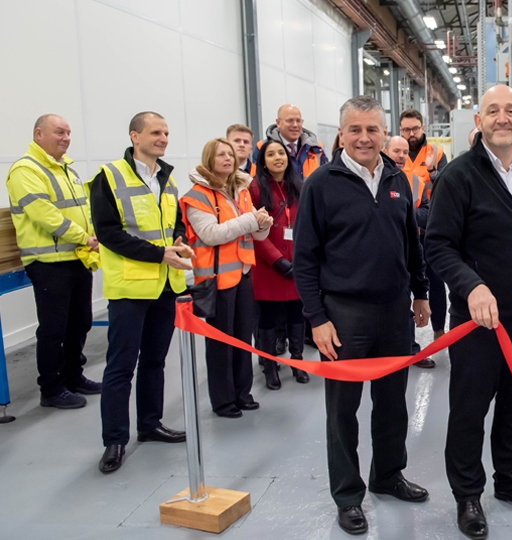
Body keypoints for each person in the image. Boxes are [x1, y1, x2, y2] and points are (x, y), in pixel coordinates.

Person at [425, 84, 512, 540]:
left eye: (511, 111)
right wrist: (472, 286)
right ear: (479, 120)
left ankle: (511, 481)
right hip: (478, 324)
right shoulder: (459, 176)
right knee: (469, 410)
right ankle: (468, 494)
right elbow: (439, 246)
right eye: (493, 111)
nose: (503, 118)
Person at [293, 96, 430, 535]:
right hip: (343, 315)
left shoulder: (396, 178)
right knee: (343, 411)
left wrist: (421, 294)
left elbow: (411, 243)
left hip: (394, 312)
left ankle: (388, 476)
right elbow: (305, 259)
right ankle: (348, 496)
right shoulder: (321, 184)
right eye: (355, 130)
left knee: (392, 405)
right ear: (341, 134)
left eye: (372, 129)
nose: (365, 138)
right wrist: (317, 319)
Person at [89, 111, 194, 473]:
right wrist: (160, 254)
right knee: (121, 366)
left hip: (166, 284)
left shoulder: (167, 178)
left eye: (165, 132)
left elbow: (173, 224)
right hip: (131, 287)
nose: (163, 138)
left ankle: (150, 424)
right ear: (135, 136)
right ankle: (114, 440)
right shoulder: (108, 177)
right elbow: (108, 233)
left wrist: (178, 243)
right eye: (155, 132)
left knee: (154, 361)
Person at [5, 114, 100, 409]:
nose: (66, 137)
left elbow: (83, 209)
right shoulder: (25, 170)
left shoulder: (66, 170)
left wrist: (90, 235)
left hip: (77, 257)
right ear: (38, 134)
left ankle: (74, 376)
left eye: (69, 132)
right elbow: (44, 214)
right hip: (48, 262)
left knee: (80, 322)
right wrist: (83, 236)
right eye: (59, 132)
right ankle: (51, 388)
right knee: (53, 328)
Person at [180, 139, 272, 418]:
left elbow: (252, 232)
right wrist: (251, 221)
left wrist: (262, 227)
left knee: (244, 338)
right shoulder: (198, 196)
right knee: (221, 343)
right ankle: (223, 401)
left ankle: (243, 393)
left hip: (243, 273)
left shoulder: (240, 190)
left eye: (231, 154)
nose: (228, 159)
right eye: (221, 154)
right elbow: (211, 234)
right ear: (209, 158)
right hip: (216, 279)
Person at [249, 140, 310, 389]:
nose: (277, 158)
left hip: (297, 263)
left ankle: (297, 361)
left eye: (281, 153)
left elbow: (306, 225)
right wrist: (277, 260)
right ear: (263, 161)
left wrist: (301, 260)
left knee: (297, 313)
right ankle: (270, 367)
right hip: (267, 265)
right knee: (268, 317)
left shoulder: (299, 187)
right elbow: (252, 231)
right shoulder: (254, 189)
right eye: (271, 154)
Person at [399, 109, 449, 342]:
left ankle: (439, 329)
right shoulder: (393, 152)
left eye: (415, 129)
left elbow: (447, 187)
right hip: (400, 232)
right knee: (403, 286)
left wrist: (432, 170)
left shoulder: (436, 154)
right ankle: (409, 341)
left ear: (422, 128)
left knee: (436, 281)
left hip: (431, 229)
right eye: (406, 129)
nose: (411, 133)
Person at [385, 135, 433, 369]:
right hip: (384, 253)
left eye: (404, 152)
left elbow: (426, 211)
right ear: (385, 151)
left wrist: (402, 217)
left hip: (409, 249)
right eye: (396, 151)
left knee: (407, 302)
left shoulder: (415, 182)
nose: (401, 156)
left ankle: (411, 350)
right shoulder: (377, 181)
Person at [250, 104, 328, 178]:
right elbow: (257, 180)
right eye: (290, 120)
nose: (295, 125)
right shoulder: (263, 147)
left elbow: (325, 179)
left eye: (298, 121)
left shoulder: (316, 148)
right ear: (278, 123)